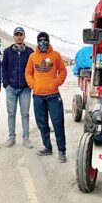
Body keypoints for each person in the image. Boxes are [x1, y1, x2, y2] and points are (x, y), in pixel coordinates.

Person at [25, 32, 68, 163]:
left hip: (53, 95)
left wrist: (56, 83)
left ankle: (62, 151)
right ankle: (47, 147)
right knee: (42, 123)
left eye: (45, 41)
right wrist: (33, 84)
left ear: (48, 41)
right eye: (40, 41)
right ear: (37, 42)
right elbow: (28, 72)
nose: (43, 43)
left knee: (58, 123)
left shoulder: (55, 55)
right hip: (38, 96)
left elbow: (63, 71)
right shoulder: (32, 56)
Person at [2, 27, 34, 148]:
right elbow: (3, 68)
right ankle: (12, 137)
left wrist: (30, 83)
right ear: (14, 37)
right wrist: (6, 84)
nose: (19, 37)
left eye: (21, 34)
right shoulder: (7, 52)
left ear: (24, 36)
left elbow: (33, 69)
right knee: (11, 113)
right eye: (17, 34)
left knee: (25, 114)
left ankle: (26, 138)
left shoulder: (30, 52)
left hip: (25, 89)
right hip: (11, 88)